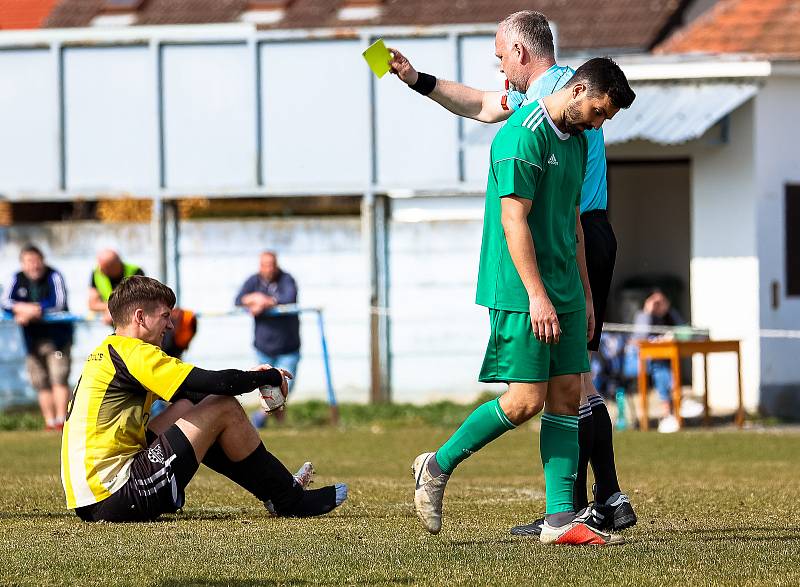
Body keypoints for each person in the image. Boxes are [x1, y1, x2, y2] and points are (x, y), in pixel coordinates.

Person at [389, 10, 637, 537]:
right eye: (598, 113)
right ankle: (437, 465)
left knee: (571, 391)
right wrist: (416, 79)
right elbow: (510, 207)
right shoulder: (525, 123)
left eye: (501, 56)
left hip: (574, 261)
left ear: (523, 53)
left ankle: (562, 517)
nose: (500, 67)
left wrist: (586, 294)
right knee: (527, 400)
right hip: (528, 276)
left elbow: (570, 218)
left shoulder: (572, 124)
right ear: (579, 93)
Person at [61, 275, 346, 522]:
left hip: (93, 499)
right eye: (164, 316)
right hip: (116, 495)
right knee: (222, 406)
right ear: (139, 317)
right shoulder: (134, 352)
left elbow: (196, 392)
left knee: (198, 404)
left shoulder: (109, 350)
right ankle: (288, 497)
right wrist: (268, 378)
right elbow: (214, 383)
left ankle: (278, 492)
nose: (170, 326)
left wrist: (250, 375)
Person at [2, 244, 73, 431]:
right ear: (22, 264)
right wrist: (22, 309)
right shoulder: (17, 278)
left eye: (36, 261)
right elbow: (5, 302)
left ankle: (62, 421)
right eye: (28, 262)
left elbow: (58, 303)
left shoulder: (54, 275)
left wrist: (34, 310)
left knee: (58, 379)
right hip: (32, 342)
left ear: (42, 261)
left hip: (57, 340)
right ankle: (49, 423)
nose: (33, 265)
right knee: (41, 382)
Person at [236, 251, 300, 426]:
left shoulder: (287, 279)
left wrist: (264, 302)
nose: (268, 268)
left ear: (276, 264)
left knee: (284, 384)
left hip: (288, 346)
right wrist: (253, 299)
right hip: (263, 347)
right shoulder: (253, 280)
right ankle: (281, 425)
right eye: (264, 264)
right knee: (270, 388)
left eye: (271, 264)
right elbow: (237, 299)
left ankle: (258, 419)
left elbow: (289, 297)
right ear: (260, 265)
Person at [628, 289, 694, 433]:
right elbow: (640, 337)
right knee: (660, 367)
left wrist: (668, 309)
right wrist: (648, 311)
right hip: (636, 360)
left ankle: (671, 411)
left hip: (660, 359)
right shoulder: (642, 315)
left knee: (663, 365)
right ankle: (673, 407)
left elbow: (683, 332)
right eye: (655, 301)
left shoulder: (669, 314)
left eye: (661, 301)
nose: (658, 305)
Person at [88, 249, 144, 325]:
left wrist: (114, 310)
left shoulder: (135, 272)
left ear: (115, 266)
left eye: (104, 268)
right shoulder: (96, 273)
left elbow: (138, 302)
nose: (100, 270)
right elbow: (93, 304)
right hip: (111, 322)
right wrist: (108, 308)